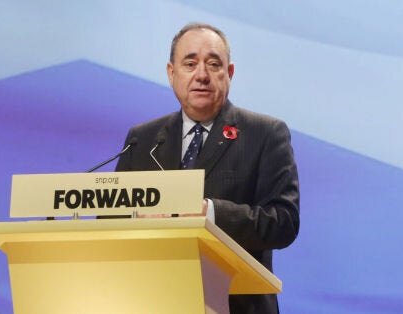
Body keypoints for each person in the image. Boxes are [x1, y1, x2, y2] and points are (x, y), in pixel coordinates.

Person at [114, 22, 300, 314]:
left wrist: (208, 213)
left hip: (237, 305)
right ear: (171, 73)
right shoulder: (143, 139)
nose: (201, 75)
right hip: (154, 301)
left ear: (230, 73)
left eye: (213, 64)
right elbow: (112, 219)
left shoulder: (265, 134)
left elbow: (284, 222)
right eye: (190, 63)